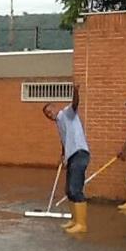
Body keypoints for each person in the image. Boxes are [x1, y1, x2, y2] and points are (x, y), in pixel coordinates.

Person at [43, 84, 90, 234]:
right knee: (69, 190)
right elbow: (64, 141)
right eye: (46, 114)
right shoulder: (59, 122)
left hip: (79, 154)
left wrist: (75, 91)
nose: (49, 114)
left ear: (55, 107)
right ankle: (74, 220)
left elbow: (75, 103)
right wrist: (63, 155)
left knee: (75, 189)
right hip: (71, 156)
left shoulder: (66, 113)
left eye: (50, 111)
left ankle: (81, 224)